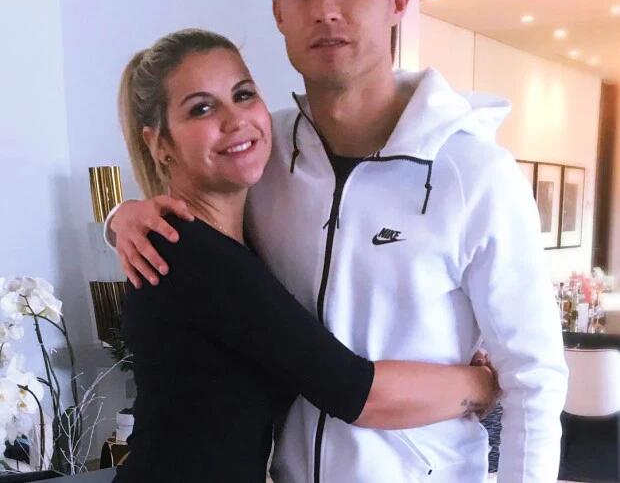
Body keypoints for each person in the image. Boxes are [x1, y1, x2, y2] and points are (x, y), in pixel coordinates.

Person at [107, 0, 568, 483]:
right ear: (280, 13)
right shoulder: (261, 156)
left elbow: (534, 378)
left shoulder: (474, 173)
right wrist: (122, 217)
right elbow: (195, 230)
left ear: (397, 1)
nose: (326, 9)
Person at [111, 28, 497, 483]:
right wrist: (483, 384)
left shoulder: (225, 235)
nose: (235, 120)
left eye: (243, 94)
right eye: (201, 108)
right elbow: (354, 392)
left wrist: (119, 217)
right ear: (159, 144)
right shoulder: (193, 255)